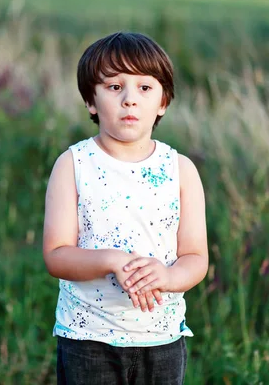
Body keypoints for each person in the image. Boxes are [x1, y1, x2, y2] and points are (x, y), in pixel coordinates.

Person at [42, 32, 209, 384]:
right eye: (115, 87)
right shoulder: (74, 164)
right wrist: (111, 260)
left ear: (163, 101)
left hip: (161, 339)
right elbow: (56, 255)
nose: (130, 100)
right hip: (88, 338)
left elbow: (195, 257)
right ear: (91, 100)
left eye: (145, 88)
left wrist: (168, 277)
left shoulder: (180, 170)